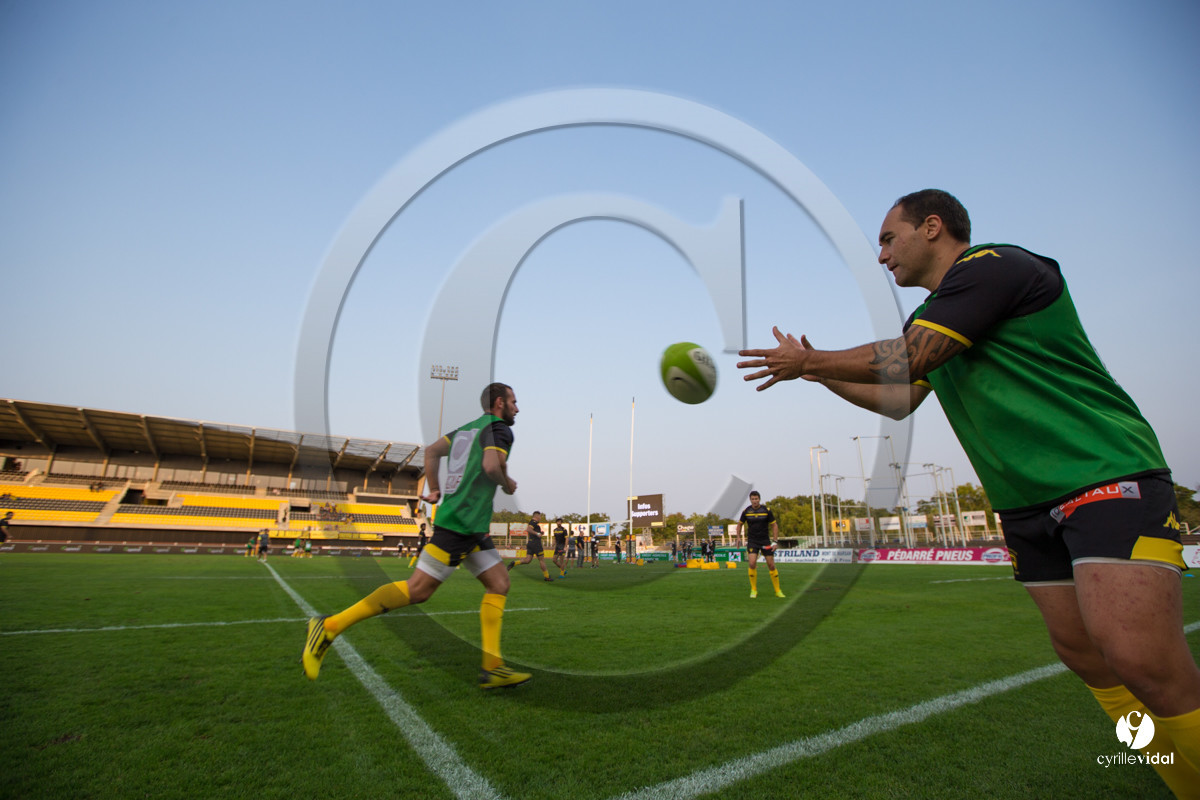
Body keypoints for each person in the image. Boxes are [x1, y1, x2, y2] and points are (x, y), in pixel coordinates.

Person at [737, 188, 1200, 796]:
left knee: (1139, 657)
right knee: (1086, 657)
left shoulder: (995, 267)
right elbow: (898, 399)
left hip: (1104, 475)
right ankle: (1183, 781)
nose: (881, 257)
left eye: (886, 239)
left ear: (932, 227)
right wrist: (816, 371)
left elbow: (905, 359)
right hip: (1024, 504)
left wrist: (811, 358)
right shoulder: (934, 315)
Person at [302, 383, 531, 690]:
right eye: (514, 402)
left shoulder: (466, 430)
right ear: (500, 403)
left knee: (499, 583)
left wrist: (434, 488)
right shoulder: (500, 429)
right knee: (418, 590)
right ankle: (329, 626)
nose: (518, 407)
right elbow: (492, 466)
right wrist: (506, 483)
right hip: (461, 525)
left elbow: (433, 451)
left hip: (472, 527)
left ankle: (493, 667)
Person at [735, 491, 784, 598]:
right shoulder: (746, 511)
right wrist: (738, 537)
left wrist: (775, 541)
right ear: (750, 500)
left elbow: (774, 526)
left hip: (765, 541)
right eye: (753, 499)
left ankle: (777, 590)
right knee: (752, 563)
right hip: (752, 541)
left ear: (759, 499)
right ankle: (753, 590)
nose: (755, 501)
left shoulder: (766, 511)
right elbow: (739, 525)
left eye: (756, 499)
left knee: (771, 565)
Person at [508, 511, 553, 582]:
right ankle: (547, 576)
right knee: (541, 560)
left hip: (531, 543)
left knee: (527, 560)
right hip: (536, 544)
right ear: (537, 516)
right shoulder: (533, 522)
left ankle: (514, 563)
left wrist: (540, 533)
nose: (540, 518)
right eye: (540, 516)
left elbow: (532, 531)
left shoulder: (533, 523)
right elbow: (528, 529)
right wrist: (537, 533)